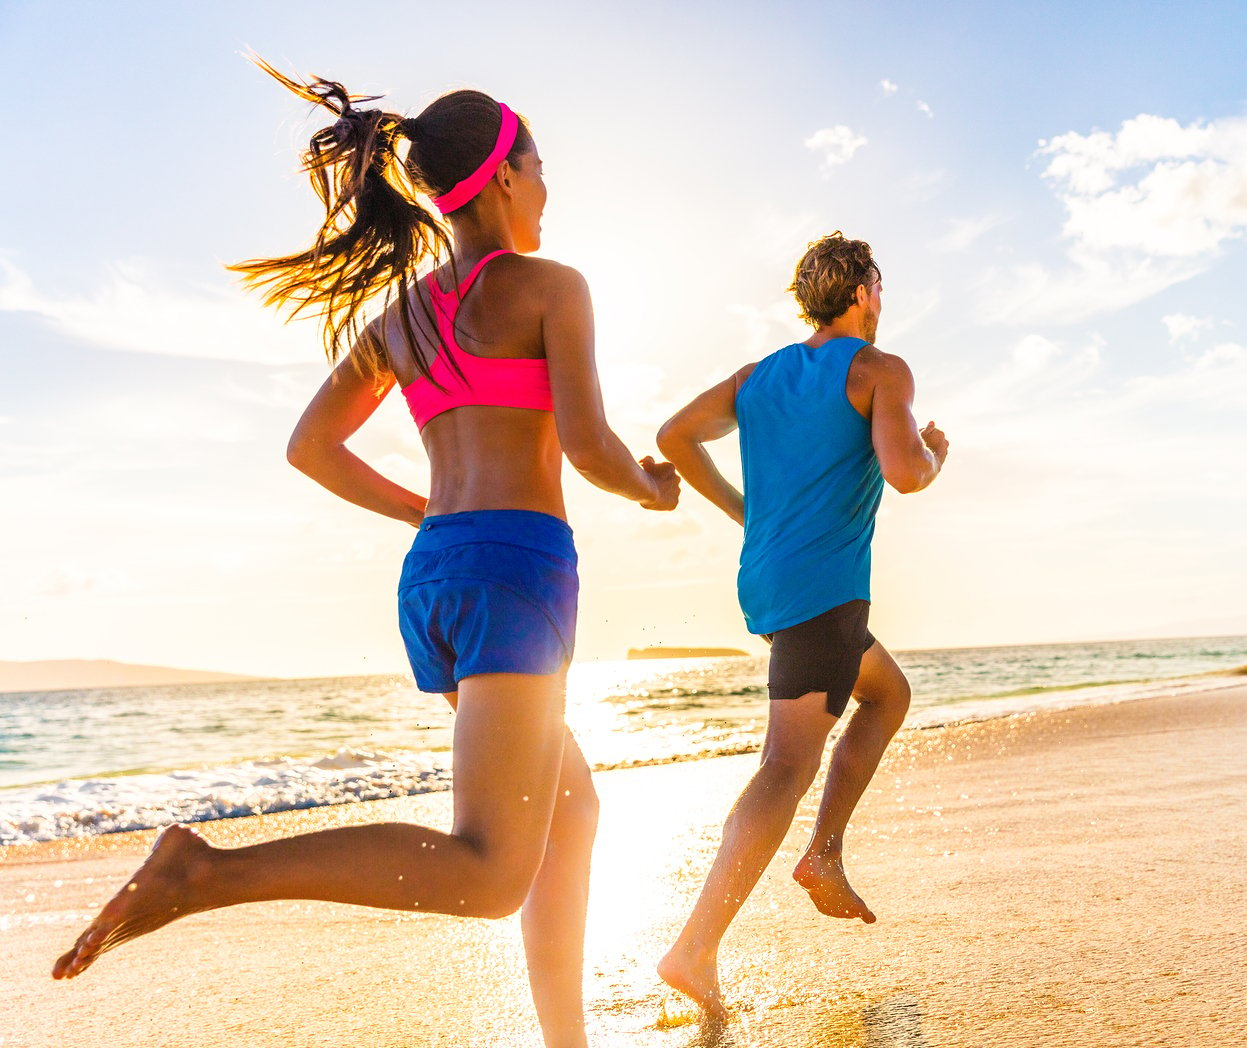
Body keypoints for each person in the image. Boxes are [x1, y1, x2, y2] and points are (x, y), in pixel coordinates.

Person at [51, 62, 678, 1048]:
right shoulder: (553, 287)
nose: (549, 191)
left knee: (573, 807)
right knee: (489, 870)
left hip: (438, 576)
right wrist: (650, 485)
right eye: (541, 167)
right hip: (515, 572)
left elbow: (311, 445)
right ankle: (207, 871)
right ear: (507, 177)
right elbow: (593, 447)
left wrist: (430, 508)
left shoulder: (402, 318)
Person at [653, 232, 949, 1015]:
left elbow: (673, 436)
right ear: (861, 290)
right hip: (824, 589)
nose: (881, 302)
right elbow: (906, 473)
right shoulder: (880, 370)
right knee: (786, 764)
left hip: (773, 583)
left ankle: (823, 852)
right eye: (879, 287)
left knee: (886, 695)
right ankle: (694, 948)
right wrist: (934, 453)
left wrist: (743, 514)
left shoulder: (759, 377)